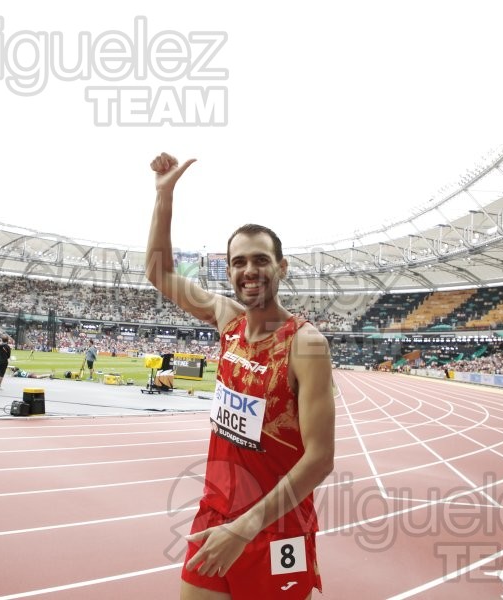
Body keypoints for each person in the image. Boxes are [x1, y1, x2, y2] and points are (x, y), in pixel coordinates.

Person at [146, 153, 335, 599]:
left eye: (261, 260)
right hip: (216, 513)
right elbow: (159, 272)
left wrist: (245, 528)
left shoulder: (305, 345)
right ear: (229, 271)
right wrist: (164, 194)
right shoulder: (225, 317)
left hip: (276, 526)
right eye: (238, 262)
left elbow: (320, 459)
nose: (249, 270)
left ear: (281, 267)